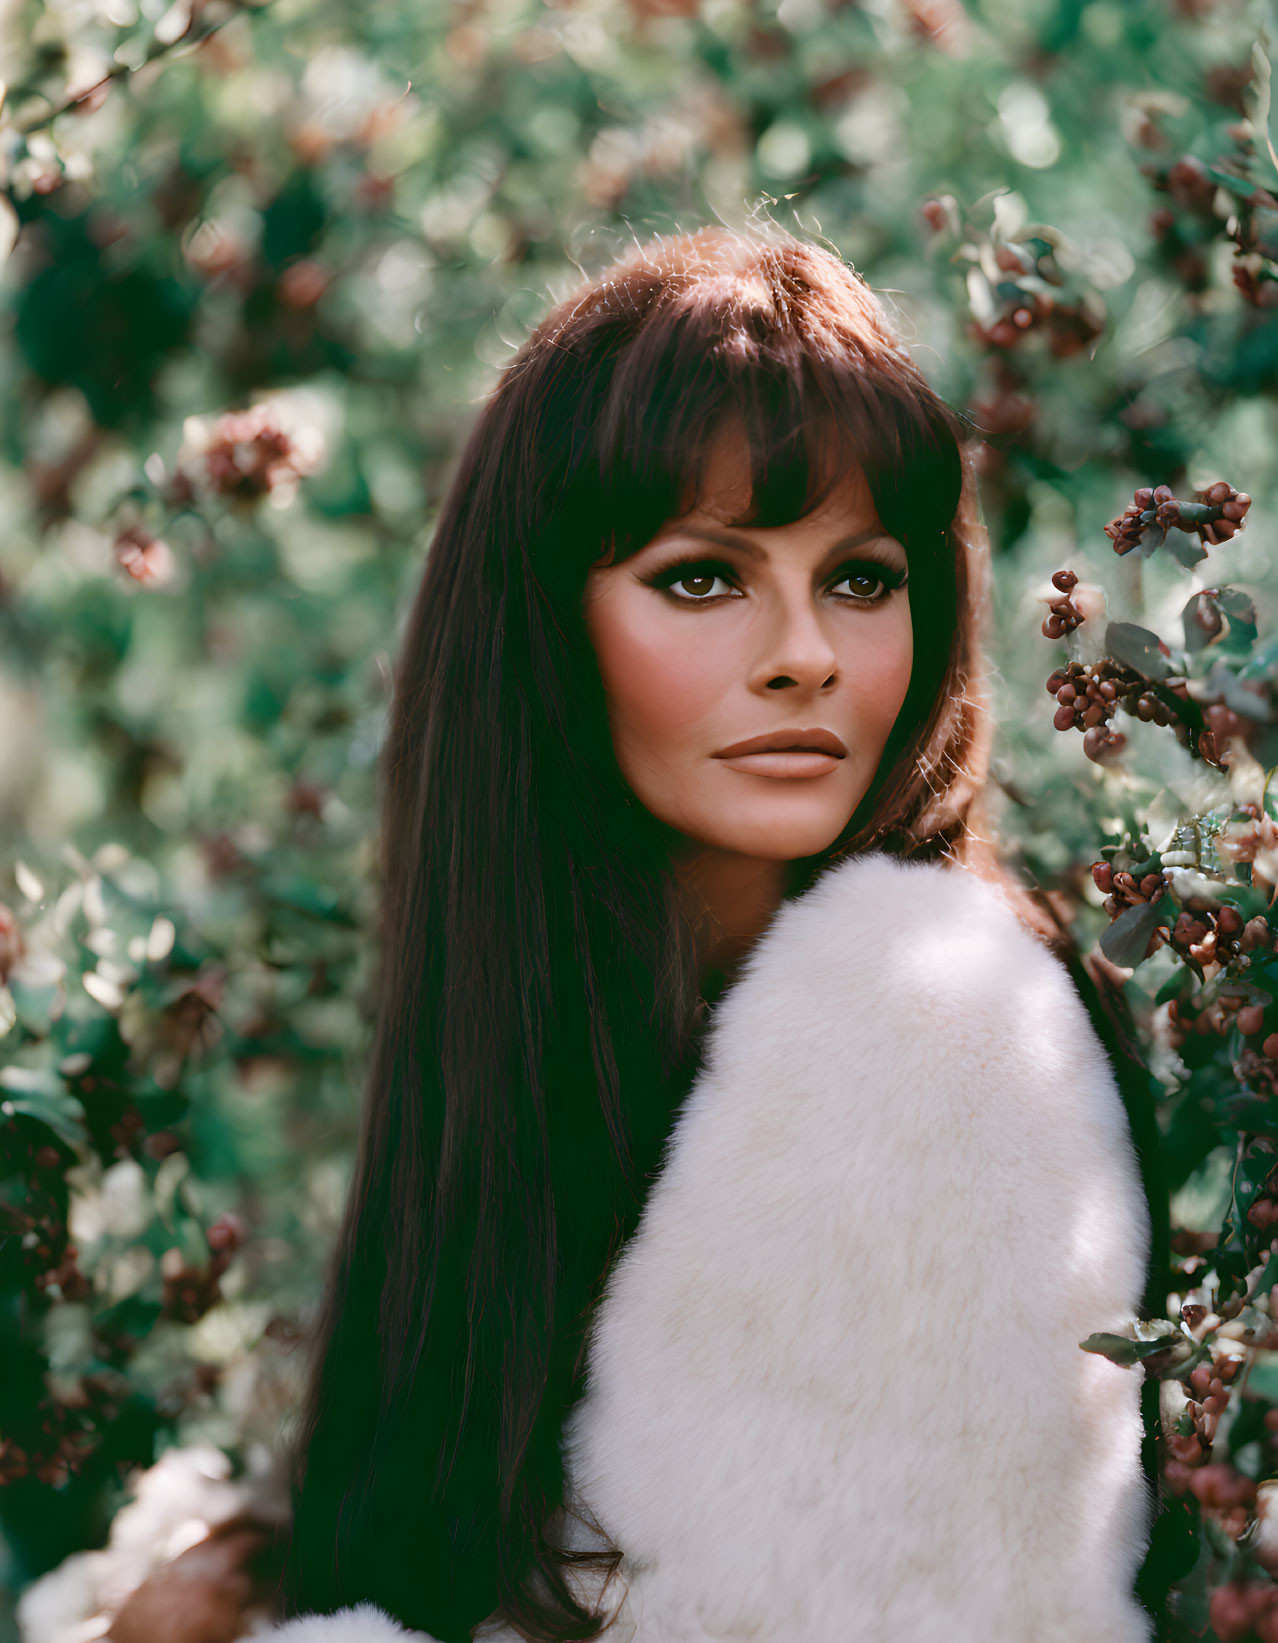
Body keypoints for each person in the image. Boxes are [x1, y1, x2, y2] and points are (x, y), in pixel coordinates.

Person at [104, 223, 1168, 1643]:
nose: (806, 650)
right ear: (546, 624)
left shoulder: (935, 1037)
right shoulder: (549, 1044)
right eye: (703, 576)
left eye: (861, 576)